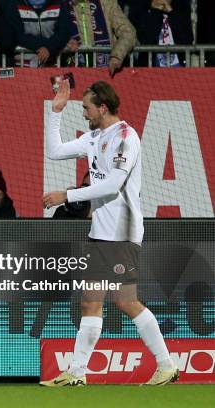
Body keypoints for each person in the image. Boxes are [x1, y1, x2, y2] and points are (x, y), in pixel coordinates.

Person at [40, 79, 179, 386]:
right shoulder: (94, 137)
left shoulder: (126, 137)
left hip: (122, 230)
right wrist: (56, 112)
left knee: (125, 300)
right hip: (101, 232)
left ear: (102, 107)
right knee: (90, 301)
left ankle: (167, 364)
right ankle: (77, 373)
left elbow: (113, 184)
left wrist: (69, 194)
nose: (85, 113)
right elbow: (54, 151)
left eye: (87, 108)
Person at [66, 0, 136, 77]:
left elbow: (128, 32)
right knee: (62, 88)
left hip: (106, 71)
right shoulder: (62, 3)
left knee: (104, 89)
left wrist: (117, 55)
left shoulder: (107, 3)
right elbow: (52, 34)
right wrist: (63, 43)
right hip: (67, 70)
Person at [9, 0, 73, 67]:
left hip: (54, 63)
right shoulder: (14, 4)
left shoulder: (60, 4)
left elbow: (64, 32)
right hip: (22, 63)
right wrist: (42, 46)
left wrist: (49, 48)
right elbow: (16, 33)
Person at [128, 0, 193, 67]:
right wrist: (156, 11)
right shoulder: (142, 9)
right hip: (150, 70)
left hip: (179, 70)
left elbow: (188, 40)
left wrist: (171, 12)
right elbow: (147, 40)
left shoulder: (181, 8)